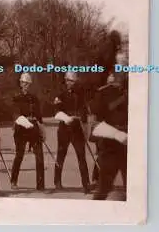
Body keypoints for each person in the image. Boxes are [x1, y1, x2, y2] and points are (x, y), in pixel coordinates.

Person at [90, 53, 128, 200]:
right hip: (111, 145)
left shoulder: (138, 90)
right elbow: (96, 126)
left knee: (134, 190)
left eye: (125, 67)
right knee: (102, 190)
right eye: (119, 67)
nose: (122, 71)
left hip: (131, 146)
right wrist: (117, 134)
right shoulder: (103, 93)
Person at [53, 71, 91, 194]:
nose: (70, 83)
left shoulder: (80, 94)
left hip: (77, 129)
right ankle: (57, 182)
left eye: (72, 81)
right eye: (68, 80)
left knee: (81, 156)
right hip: (64, 128)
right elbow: (56, 111)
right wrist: (67, 118)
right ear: (65, 81)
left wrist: (84, 125)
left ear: (75, 82)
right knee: (61, 155)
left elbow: (84, 110)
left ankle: (86, 184)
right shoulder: (61, 94)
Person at [10, 73, 46, 191]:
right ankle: (13, 181)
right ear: (20, 83)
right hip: (21, 129)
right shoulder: (16, 97)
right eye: (23, 83)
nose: (25, 85)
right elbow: (15, 114)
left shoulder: (34, 98)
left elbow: (39, 116)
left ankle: (40, 184)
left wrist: (42, 130)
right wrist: (23, 121)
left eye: (27, 83)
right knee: (19, 155)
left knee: (39, 156)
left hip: (34, 129)